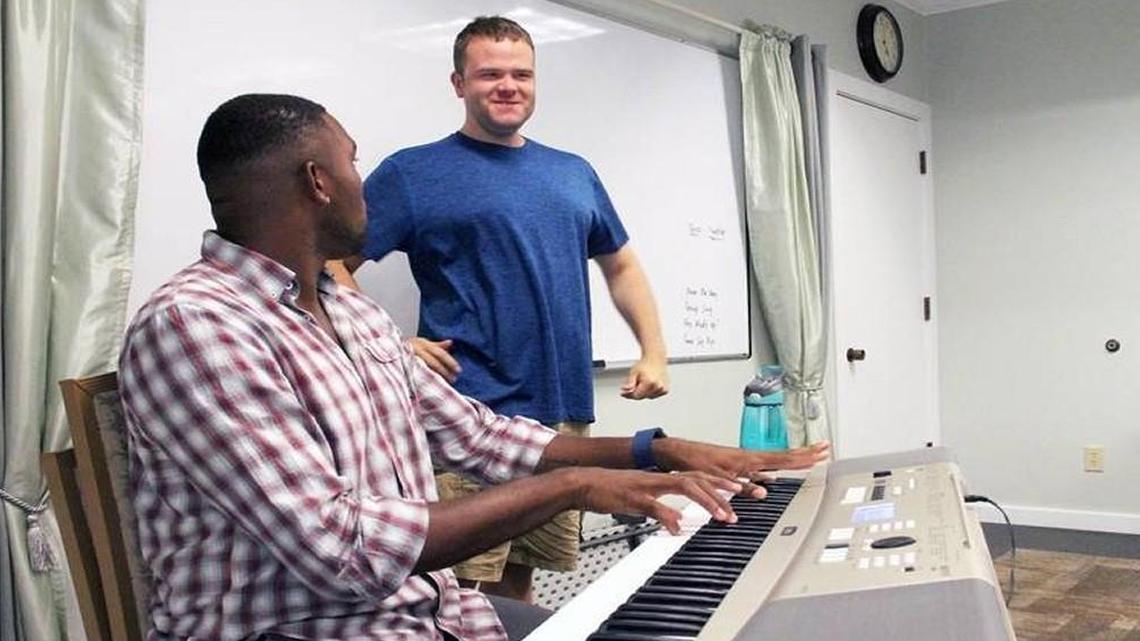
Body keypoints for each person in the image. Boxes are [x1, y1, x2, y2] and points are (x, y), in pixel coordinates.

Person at [119, 93, 829, 641]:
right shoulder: (198, 325)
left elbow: (485, 438)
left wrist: (657, 448)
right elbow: (347, 550)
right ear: (318, 181)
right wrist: (576, 484)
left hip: (421, 613)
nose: (364, 180)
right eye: (354, 161)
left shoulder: (353, 313)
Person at [333, 16, 670, 601]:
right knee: (459, 589)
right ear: (458, 84)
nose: (508, 85)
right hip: (467, 420)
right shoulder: (413, 173)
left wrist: (653, 351)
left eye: (522, 74)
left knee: (517, 585)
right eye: (490, 74)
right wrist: (390, 343)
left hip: (561, 416)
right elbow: (331, 266)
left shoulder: (572, 172)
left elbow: (621, 264)